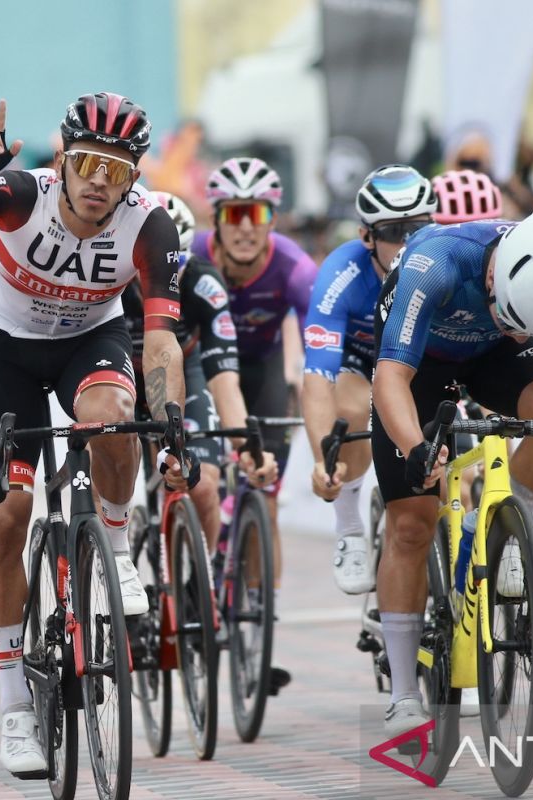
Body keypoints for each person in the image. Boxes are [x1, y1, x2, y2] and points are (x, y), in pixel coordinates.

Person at [0, 94, 190, 778]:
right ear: (63, 161)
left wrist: (172, 422)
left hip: (89, 341)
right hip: (6, 351)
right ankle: (13, 708)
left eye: (116, 171)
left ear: (133, 178)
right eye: (87, 164)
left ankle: (116, 547)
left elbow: (161, 343)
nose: (99, 181)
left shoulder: (151, 226)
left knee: (113, 414)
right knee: (4, 521)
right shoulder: (18, 195)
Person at [372, 211, 533, 735]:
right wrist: (415, 448)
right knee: (411, 522)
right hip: (419, 361)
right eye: (506, 313)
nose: (512, 323)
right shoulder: (435, 264)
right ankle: (404, 693)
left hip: (498, 353)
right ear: (493, 276)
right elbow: (390, 375)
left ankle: (502, 527)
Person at [303, 165, 437, 594]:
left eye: (417, 228)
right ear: (367, 237)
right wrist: (324, 461)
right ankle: (349, 528)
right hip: (359, 367)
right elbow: (317, 377)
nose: (407, 243)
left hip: (420, 365)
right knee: (356, 406)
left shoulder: (443, 260)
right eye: (395, 231)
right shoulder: (341, 274)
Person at [192, 157, 316, 605]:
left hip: (262, 370)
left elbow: (320, 349)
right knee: (202, 481)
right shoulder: (191, 254)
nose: (246, 228)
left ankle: (262, 616)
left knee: (263, 493)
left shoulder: (295, 268)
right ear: (216, 220)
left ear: (273, 220)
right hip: (204, 371)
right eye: (234, 214)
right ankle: (193, 576)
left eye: (257, 213)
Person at [122, 191, 277, 549]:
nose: (159, 275)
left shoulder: (203, 283)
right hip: (125, 377)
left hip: (183, 374)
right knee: (112, 478)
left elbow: (223, 378)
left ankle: (198, 590)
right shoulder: (109, 285)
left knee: (204, 485)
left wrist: (244, 447)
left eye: (171, 264)